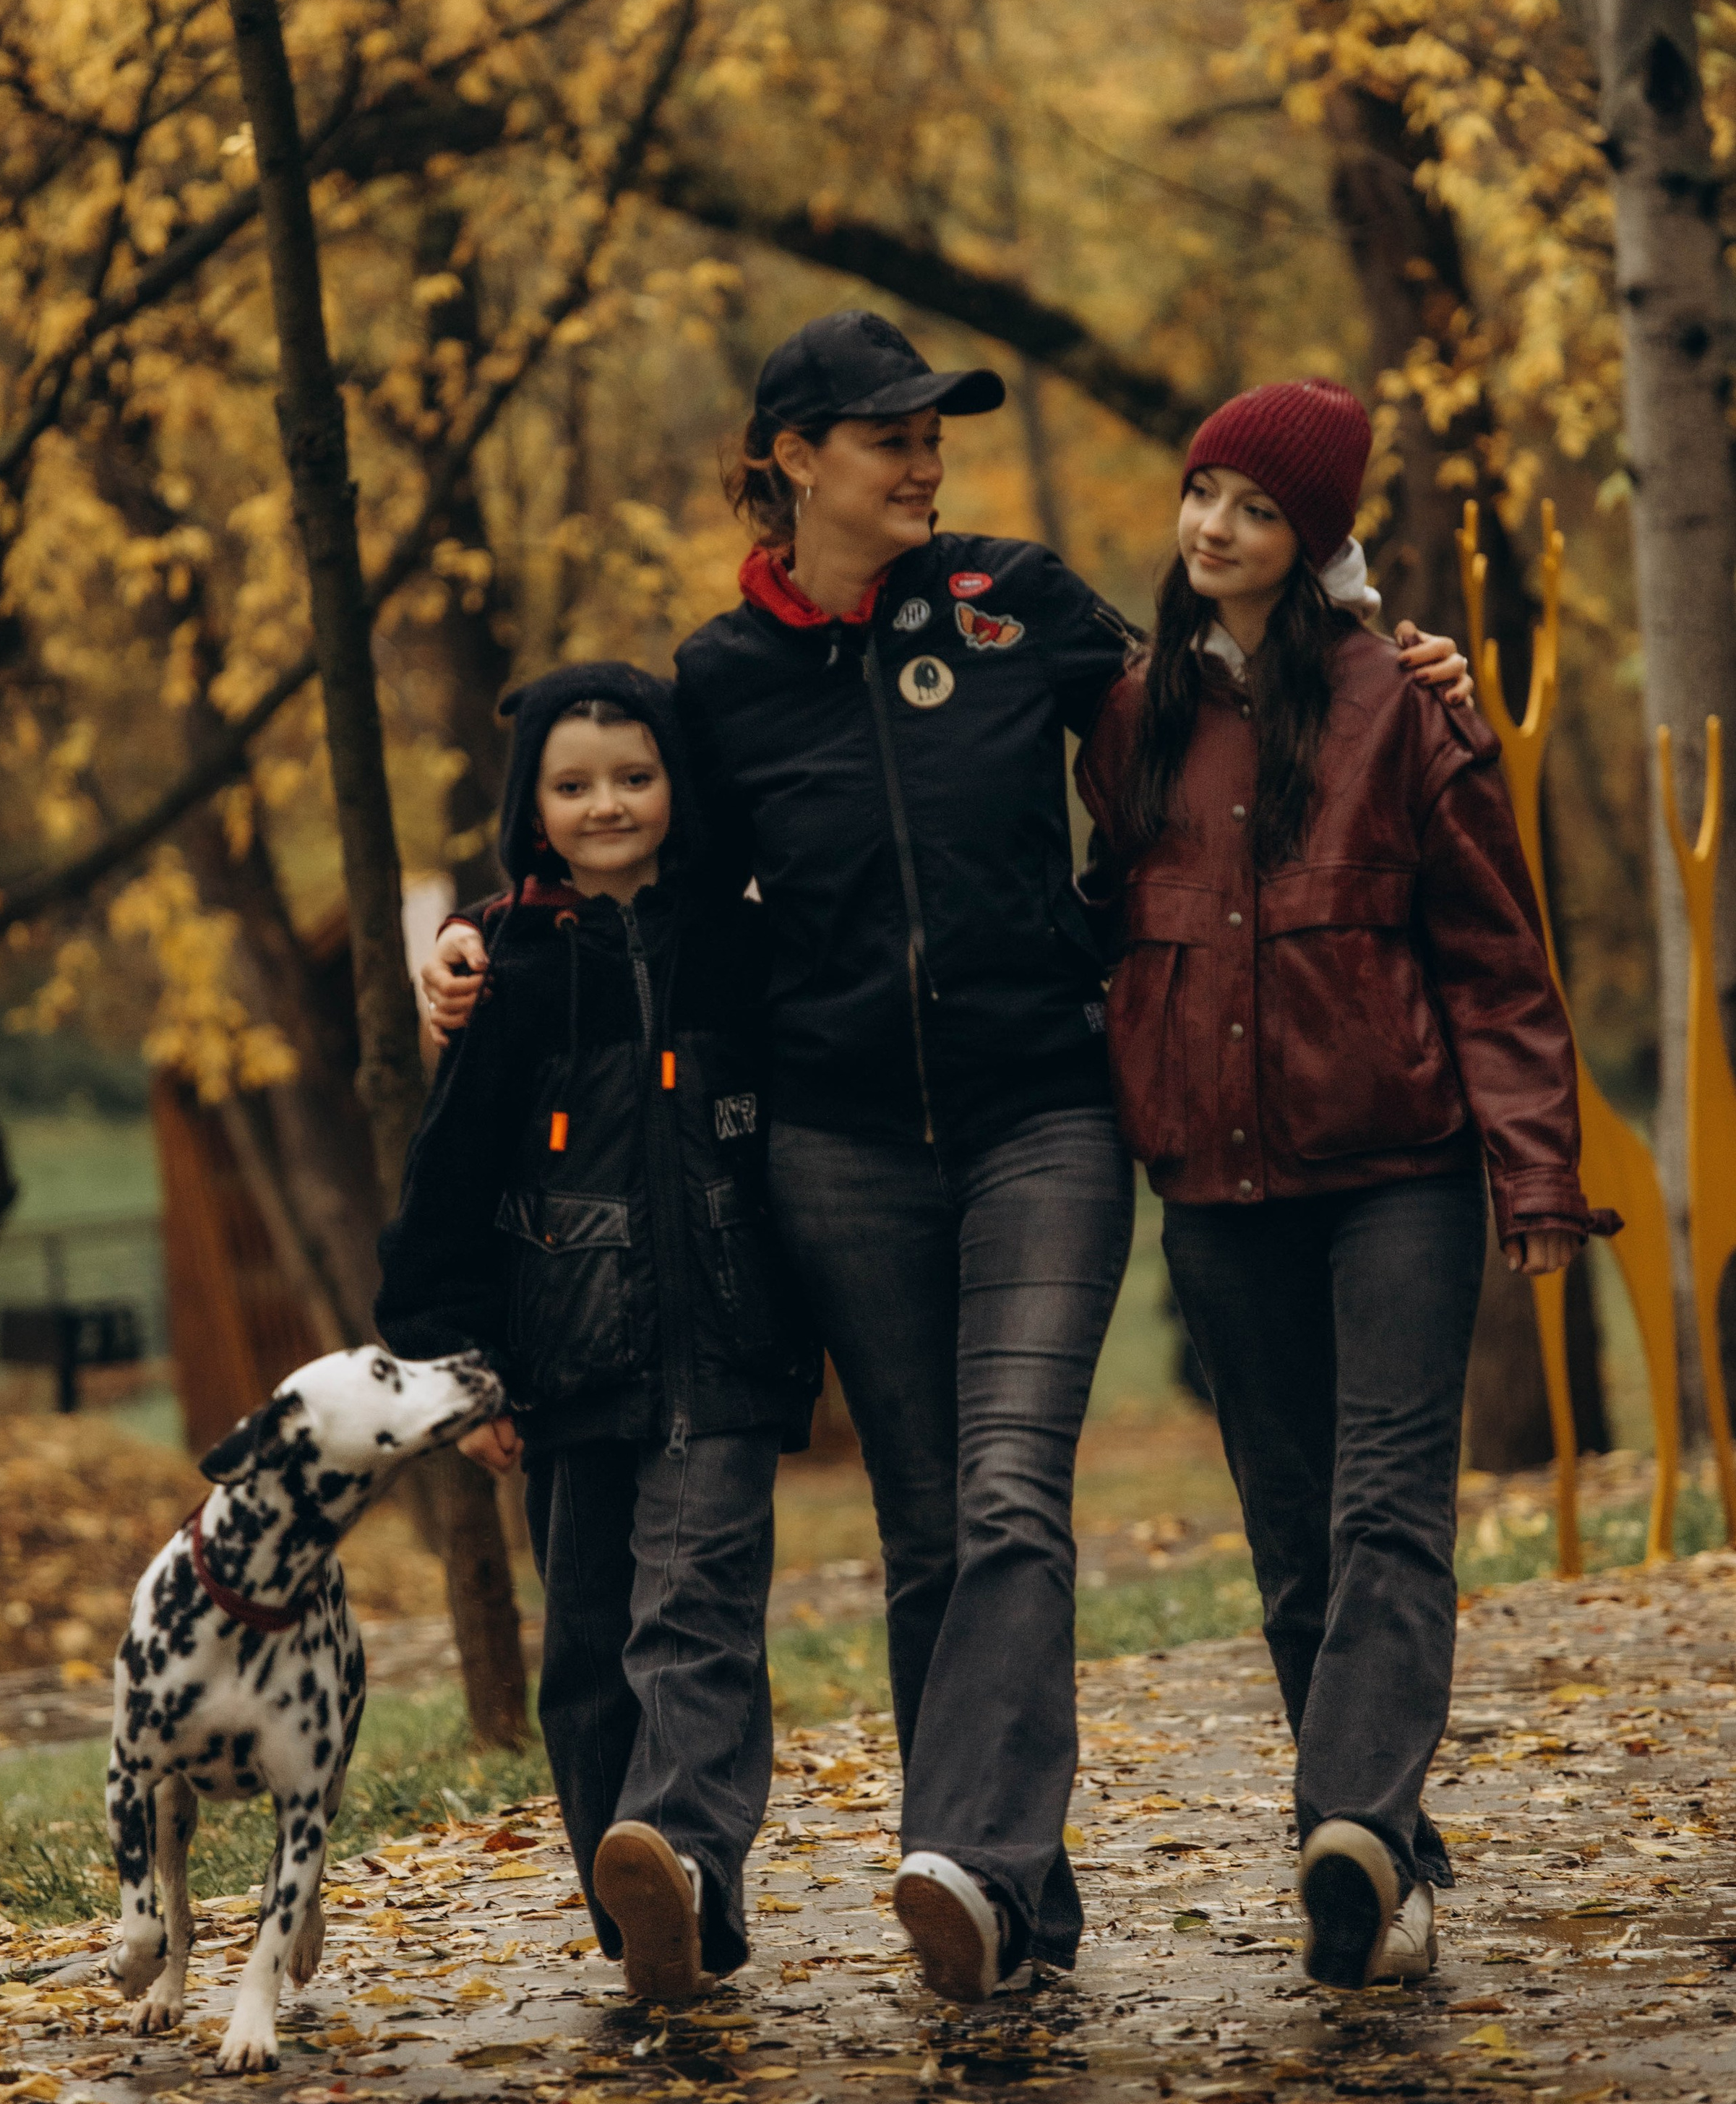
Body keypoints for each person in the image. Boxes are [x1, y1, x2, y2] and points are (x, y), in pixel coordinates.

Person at [422, 312, 1471, 2006]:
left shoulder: (1013, 599)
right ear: (793, 459)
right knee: (926, 1531)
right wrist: (486, 938)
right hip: (836, 1144)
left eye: (935, 434)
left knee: (1004, 1495)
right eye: (889, 435)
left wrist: (1380, 667)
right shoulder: (718, 679)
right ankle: (1010, 1905)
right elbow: (639, 875)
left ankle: (970, 1851)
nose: (925, 461)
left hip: (1039, 1113)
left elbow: (1210, 706)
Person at [1075, 379, 1616, 1992]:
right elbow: (1107, 922)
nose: (1214, 527)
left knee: (1386, 1508)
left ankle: (1351, 1827)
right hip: (1217, 1187)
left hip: (1398, 1172)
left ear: (1311, 538)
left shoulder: (1405, 704)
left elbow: (1495, 964)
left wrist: (1534, 1174)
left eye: (1256, 509)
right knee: (1292, 1538)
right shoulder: (1133, 715)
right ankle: (1385, 1867)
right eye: (1203, 494)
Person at [376, 663, 821, 2006]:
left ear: (678, 786)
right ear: (534, 807)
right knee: (587, 1652)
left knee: (697, 1616)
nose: (608, 804)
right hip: (564, 1363)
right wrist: (459, 1372)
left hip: (726, 1349)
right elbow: (448, 1184)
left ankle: (686, 1859)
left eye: (635, 776)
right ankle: (638, 1907)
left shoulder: (737, 947)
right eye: (574, 785)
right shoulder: (506, 972)